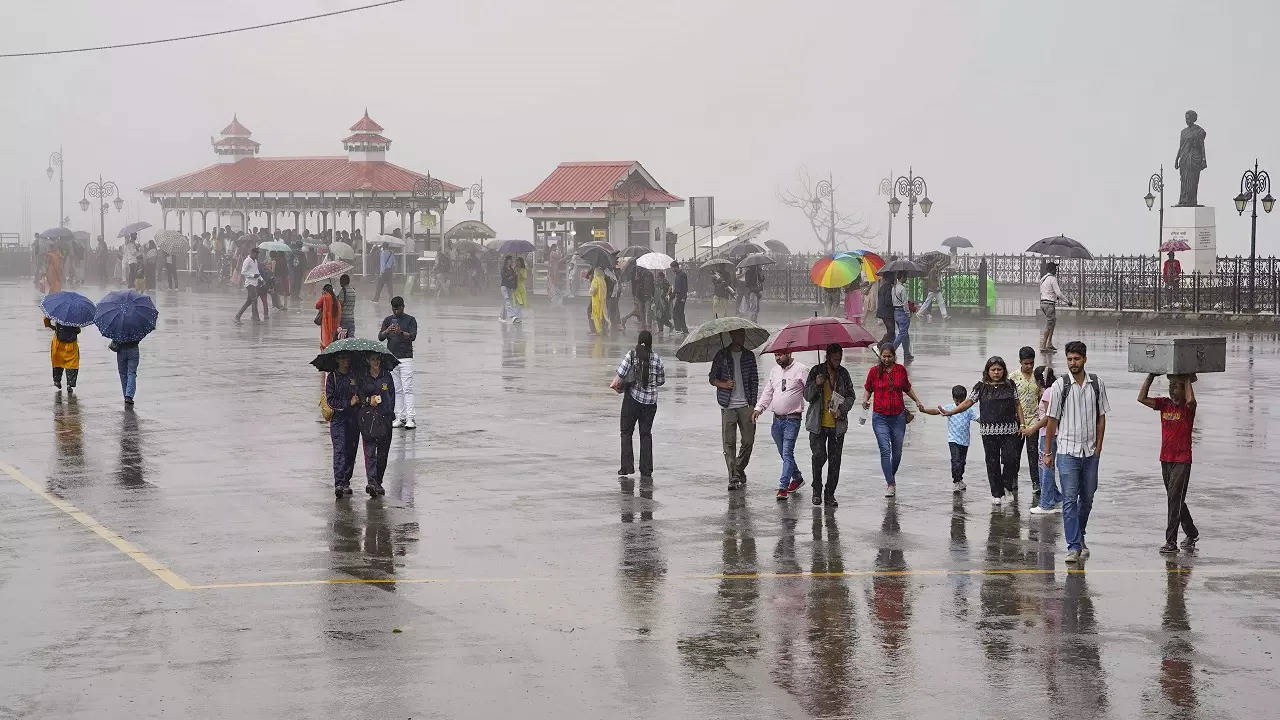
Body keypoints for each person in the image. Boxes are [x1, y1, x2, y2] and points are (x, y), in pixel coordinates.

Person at [1044, 340, 1110, 564]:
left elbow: (1101, 418)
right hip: (1067, 452)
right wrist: (1047, 452)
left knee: (1088, 498)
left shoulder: (1096, 384)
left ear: (1085, 359)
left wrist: (1099, 448)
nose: (1073, 363)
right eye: (1070, 359)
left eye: (1077, 359)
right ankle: (1073, 546)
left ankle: (1080, 535)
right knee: (1070, 499)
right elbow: (1051, 422)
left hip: (1091, 453)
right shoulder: (1060, 386)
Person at [941, 356, 1027, 506]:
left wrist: (1022, 425)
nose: (996, 372)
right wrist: (952, 412)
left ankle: (1007, 488)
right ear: (987, 371)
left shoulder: (1010, 384)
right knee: (992, 462)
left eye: (999, 369)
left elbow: (1018, 404)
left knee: (1010, 460)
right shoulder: (981, 387)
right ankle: (997, 493)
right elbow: (968, 402)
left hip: (1010, 430)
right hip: (989, 432)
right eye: (993, 369)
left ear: (1003, 371)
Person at [1138, 373, 1199, 554]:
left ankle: (1170, 541)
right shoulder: (1164, 404)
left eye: (1177, 388)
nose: (1173, 391)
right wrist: (1150, 377)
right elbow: (1141, 398)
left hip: (1182, 460)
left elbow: (1191, 400)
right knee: (1176, 499)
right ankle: (1192, 532)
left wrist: (1187, 377)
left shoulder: (1189, 408)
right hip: (1165, 458)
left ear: (1184, 390)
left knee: (1174, 499)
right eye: (1171, 387)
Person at [863, 342, 928, 497]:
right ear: (880, 356)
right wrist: (865, 400)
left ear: (894, 356)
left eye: (889, 356)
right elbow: (867, 388)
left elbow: (907, 387)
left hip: (898, 417)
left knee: (897, 453)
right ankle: (890, 483)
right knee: (885, 450)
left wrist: (917, 401)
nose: (886, 359)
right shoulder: (874, 371)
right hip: (880, 417)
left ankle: (889, 476)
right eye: (884, 356)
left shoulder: (900, 370)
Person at [803, 344, 856, 506]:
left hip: (837, 425)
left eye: (840, 359)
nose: (837, 362)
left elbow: (851, 396)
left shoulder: (843, 374)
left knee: (835, 461)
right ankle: (816, 490)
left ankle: (830, 494)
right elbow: (807, 396)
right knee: (819, 456)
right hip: (818, 424)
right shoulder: (816, 371)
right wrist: (816, 384)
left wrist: (842, 409)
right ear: (827, 357)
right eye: (834, 359)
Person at [752, 349, 808, 500]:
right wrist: (759, 408)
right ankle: (797, 478)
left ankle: (783, 487)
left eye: (780, 355)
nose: (778, 358)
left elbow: (810, 392)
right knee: (783, 452)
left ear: (789, 353)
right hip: (776, 420)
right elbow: (768, 392)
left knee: (787, 452)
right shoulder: (774, 371)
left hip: (792, 419)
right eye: (775, 355)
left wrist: (818, 384)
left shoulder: (801, 370)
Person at [709, 329, 758, 490]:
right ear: (731, 336)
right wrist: (723, 384)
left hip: (746, 405)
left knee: (748, 441)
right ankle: (733, 476)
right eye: (738, 335)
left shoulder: (749, 356)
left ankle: (738, 468)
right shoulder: (721, 355)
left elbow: (754, 380)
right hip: (728, 405)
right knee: (729, 443)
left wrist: (753, 404)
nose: (741, 338)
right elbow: (712, 378)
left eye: (743, 335)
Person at [615, 330, 666, 480]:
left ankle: (626, 467)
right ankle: (646, 469)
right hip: (650, 403)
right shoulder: (657, 359)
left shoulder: (631, 355)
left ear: (638, 341)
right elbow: (661, 381)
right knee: (645, 435)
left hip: (632, 400)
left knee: (626, 433)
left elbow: (620, 374)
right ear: (651, 344)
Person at [357, 352, 396, 496]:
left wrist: (389, 414)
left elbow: (392, 396)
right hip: (368, 419)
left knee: (383, 454)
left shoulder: (387, 376)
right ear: (367, 360)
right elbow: (359, 395)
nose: (376, 362)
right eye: (373, 359)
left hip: (385, 418)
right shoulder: (363, 376)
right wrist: (368, 400)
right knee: (370, 451)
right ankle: (371, 482)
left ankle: (378, 481)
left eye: (378, 359)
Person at [325, 352, 362, 498]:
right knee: (339, 450)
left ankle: (346, 481)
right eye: (341, 358)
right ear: (336, 360)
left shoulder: (355, 375)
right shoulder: (332, 377)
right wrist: (348, 403)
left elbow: (361, 393)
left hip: (354, 420)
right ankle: (339, 483)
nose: (345, 361)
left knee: (351, 451)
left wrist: (358, 399)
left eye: (347, 358)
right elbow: (330, 401)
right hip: (338, 420)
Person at [379, 296, 418, 429]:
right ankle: (400, 417)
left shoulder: (410, 320)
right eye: (394, 309)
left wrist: (401, 332)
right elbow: (380, 337)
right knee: (397, 389)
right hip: (392, 358)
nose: (396, 311)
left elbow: (413, 336)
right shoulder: (388, 320)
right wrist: (387, 330)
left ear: (403, 306)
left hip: (406, 357)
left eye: (398, 309)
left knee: (407, 388)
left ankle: (410, 418)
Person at [1027, 366, 1061, 515]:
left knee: (1045, 469)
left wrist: (1032, 429)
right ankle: (1056, 496)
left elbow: (1049, 417)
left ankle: (1046, 503)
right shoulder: (1054, 390)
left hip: (1047, 434)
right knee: (1047, 467)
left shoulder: (1048, 392)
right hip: (1051, 434)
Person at [1012, 346, 1043, 501]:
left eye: (1031, 363)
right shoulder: (1013, 377)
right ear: (1020, 362)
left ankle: (1036, 482)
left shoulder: (1037, 377)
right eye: (1026, 363)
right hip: (1017, 423)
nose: (1029, 366)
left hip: (1033, 422)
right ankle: (1013, 479)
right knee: (1015, 453)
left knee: (1033, 453)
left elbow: (1040, 397)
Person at [1039, 262, 1071, 352]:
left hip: (1043, 303)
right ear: (1052, 269)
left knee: (1052, 322)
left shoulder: (1043, 279)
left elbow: (1045, 291)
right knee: (1049, 325)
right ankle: (1043, 346)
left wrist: (1053, 296)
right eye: (1055, 269)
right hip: (1049, 305)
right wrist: (1067, 301)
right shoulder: (1052, 279)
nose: (1056, 270)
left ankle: (1049, 344)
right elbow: (1059, 293)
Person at [43, 316, 81, 392]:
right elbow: (78, 331)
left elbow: (46, 319)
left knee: (57, 361)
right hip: (71, 344)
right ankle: (70, 384)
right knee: (72, 363)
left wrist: (51, 326)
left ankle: (57, 380)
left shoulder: (57, 313)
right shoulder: (75, 315)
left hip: (58, 343)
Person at [233, 247, 263, 324]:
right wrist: (252, 275)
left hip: (255, 283)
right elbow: (243, 272)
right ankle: (256, 318)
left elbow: (257, 271)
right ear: (253, 253)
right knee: (254, 300)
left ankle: (237, 316)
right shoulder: (247, 260)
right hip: (249, 283)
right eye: (257, 254)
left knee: (248, 302)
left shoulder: (255, 261)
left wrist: (262, 279)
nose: (258, 256)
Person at [110, 337, 141, 406]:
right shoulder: (136, 327)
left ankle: (126, 395)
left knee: (123, 373)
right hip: (133, 349)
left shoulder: (118, 327)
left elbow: (114, 337)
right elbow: (140, 337)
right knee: (131, 373)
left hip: (121, 350)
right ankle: (128, 395)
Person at [891, 272, 913, 362]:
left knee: (905, 334)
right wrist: (908, 313)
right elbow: (905, 303)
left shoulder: (894, 287)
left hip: (896, 312)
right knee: (902, 334)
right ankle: (890, 351)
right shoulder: (902, 288)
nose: (906, 279)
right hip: (902, 312)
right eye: (906, 277)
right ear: (902, 277)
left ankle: (907, 354)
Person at [316, 283, 341, 349]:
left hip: (327, 321)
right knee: (333, 338)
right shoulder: (336, 298)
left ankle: (326, 350)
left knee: (326, 337)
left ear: (324, 290)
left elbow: (317, 305)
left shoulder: (325, 296)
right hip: (335, 322)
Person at [874, 272, 896, 348]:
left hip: (883, 313)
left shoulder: (882, 287)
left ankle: (886, 345)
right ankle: (881, 344)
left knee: (890, 331)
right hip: (887, 313)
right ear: (889, 278)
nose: (894, 278)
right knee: (891, 331)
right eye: (893, 277)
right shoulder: (889, 288)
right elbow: (887, 301)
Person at [499, 255, 519, 323]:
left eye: (512, 260)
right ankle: (512, 316)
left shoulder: (512, 269)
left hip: (510, 287)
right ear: (507, 260)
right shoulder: (503, 269)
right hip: (504, 286)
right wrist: (512, 276)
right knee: (507, 300)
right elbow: (504, 277)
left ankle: (502, 317)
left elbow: (514, 279)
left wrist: (515, 275)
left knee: (506, 302)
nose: (511, 261)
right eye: (510, 260)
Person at [589, 267, 609, 334]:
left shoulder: (595, 280)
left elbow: (593, 291)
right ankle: (603, 329)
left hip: (596, 300)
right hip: (602, 300)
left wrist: (590, 291)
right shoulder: (603, 280)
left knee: (596, 315)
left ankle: (598, 330)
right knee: (601, 315)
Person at [670, 261, 689, 333]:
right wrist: (673, 295)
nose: (672, 270)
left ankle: (680, 329)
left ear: (676, 267)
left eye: (672, 268)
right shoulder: (677, 275)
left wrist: (684, 297)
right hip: (679, 296)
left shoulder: (682, 275)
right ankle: (682, 329)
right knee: (678, 312)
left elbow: (684, 286)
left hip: (681, 297)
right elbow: (677, 288)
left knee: (677, 312)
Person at [337, 274, 357, 338]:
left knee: (342, 339)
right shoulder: (353, 290)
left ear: (343, 281)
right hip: (351, 319)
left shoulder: (343, 291)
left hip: (344, 319)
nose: (340, 283)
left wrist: (335, 299)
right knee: (350, 340)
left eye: (340, 281)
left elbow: (339, 304)